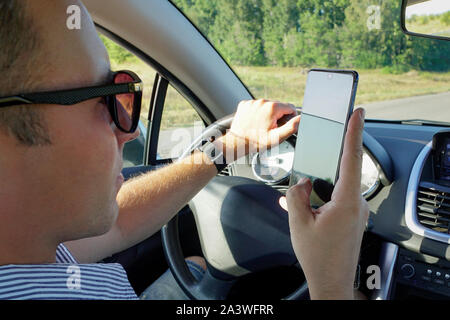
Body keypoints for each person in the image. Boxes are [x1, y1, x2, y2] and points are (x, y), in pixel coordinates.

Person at [0, 0, 368, 300]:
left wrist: (232, 145)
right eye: (106, 100)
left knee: (196, 264)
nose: (128, 133)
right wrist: (333, 282)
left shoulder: (27, 243)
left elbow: (122, 220)